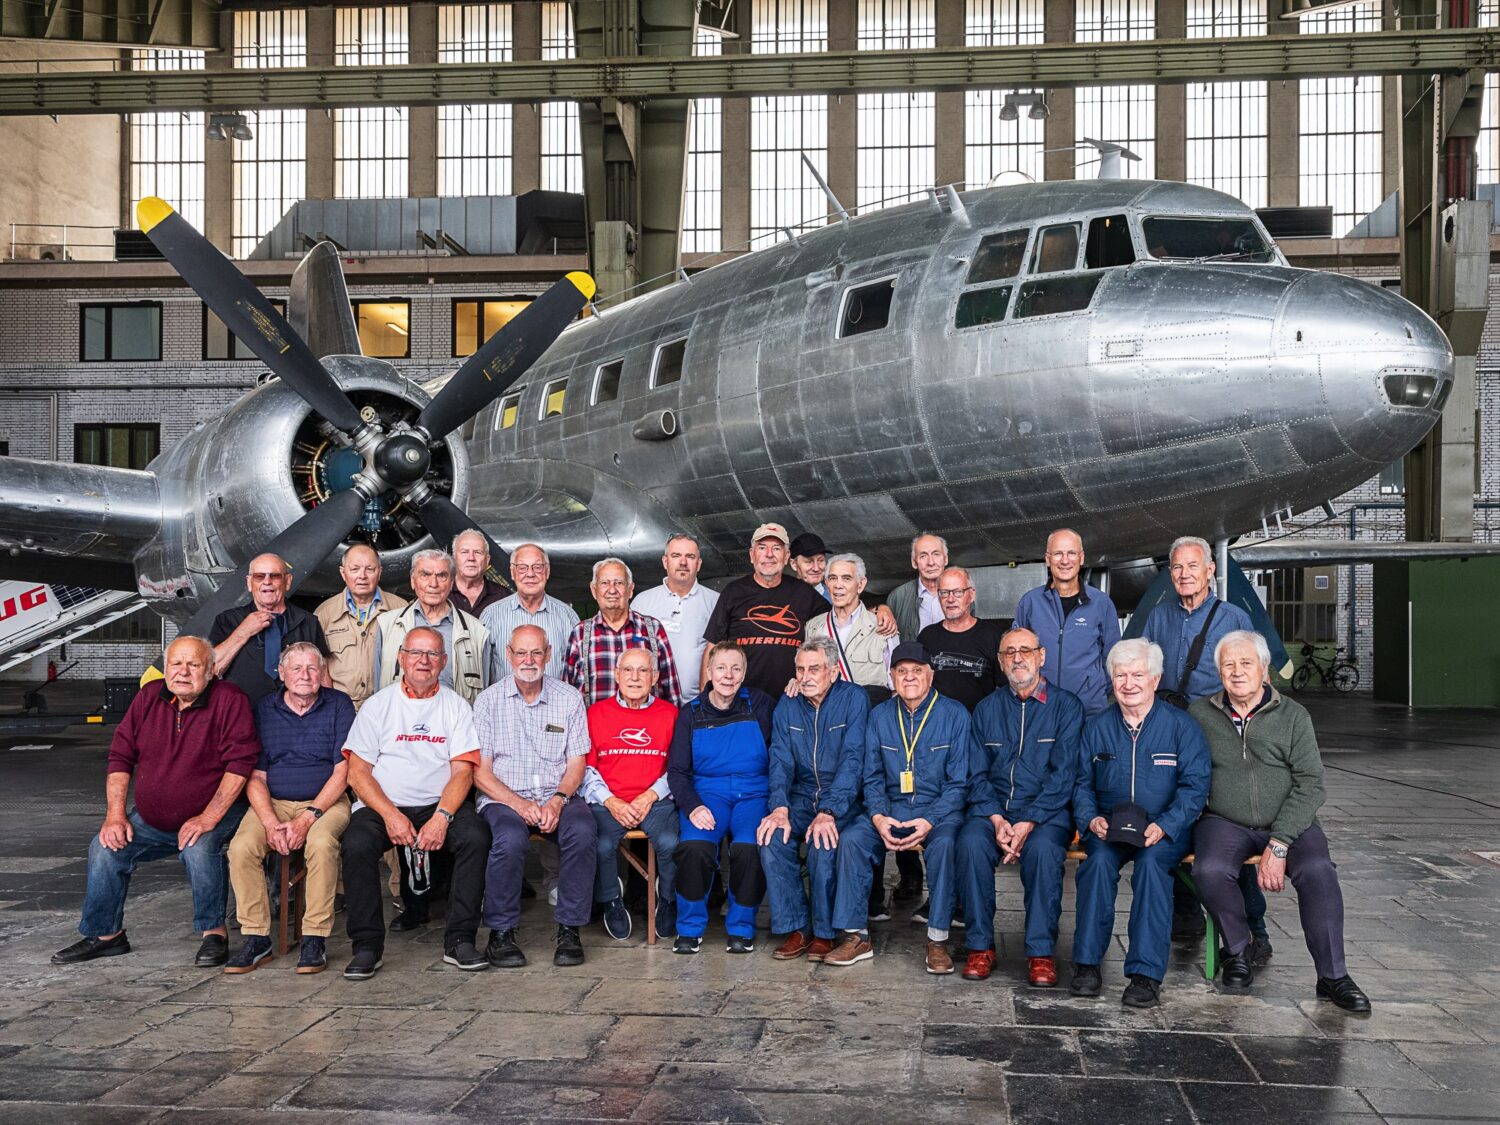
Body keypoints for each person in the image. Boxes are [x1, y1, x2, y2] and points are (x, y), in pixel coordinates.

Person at [1189, 631, 1371, 1012]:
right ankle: (1239, 949)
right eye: (1228, 665)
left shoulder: (1292, 716)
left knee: (1319, 870)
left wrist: (1280, 841)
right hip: (1224, 819)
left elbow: (1311, 784)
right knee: (1209, 870)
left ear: (1264, 669)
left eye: (1246, 664)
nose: (1237, 672)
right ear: (1218, 671)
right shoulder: (1200, 714)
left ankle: (1333, 975)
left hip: (1288, 820)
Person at [53, 636, 257, 968]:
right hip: (152, 820)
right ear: (165, 668)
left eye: (194, 664)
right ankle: (107, 936)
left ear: (211, 670)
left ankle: (214, 934)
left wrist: (208, 818)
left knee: (199, 848)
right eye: (176, 664)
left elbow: (240, 765)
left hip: (214, 813)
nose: (183, 672)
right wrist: (115, 815)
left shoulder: (229, 700)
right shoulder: (148, 697)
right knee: (105, 848)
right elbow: (120, 756)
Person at [339, 627, 492, 980]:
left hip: (438, 803)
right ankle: (366, 946)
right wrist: (390, 815)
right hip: (383, 805)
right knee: (357, 843)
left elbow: (463, 772)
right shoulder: (378, 706)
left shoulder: (456, 706)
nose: (424, 661)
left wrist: (442, 816)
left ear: (444, 662)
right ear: (401, 658)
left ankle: (459, 940)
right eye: (416, 653)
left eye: (432, 654)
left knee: (475, 837)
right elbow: (358, 774)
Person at [1070, 638, 1211, 1008]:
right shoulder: (1097, 726)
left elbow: (1196, 786)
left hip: (1162, 829)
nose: (1128, 683)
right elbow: (1081, 783)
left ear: (1155, 679)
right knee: (1096, 865)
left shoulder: (1182, 727)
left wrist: (1166, 825)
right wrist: (1090, 819)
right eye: (1120, 675)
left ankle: (1145, 975)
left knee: (1150, 870)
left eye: (1137, 675)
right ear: (1111, 680)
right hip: (1108, 826)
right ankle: (1086, 964)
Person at [1141, 535, 1261, 944]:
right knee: (1174, 814)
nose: (1184, 574)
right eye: (1176, 567)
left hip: (1217, 735)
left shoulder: (1232, 619)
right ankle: (1186, 912)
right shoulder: (1159, 617)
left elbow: (1249, 680)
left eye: (1193, 566)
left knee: (1228, 824)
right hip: (1170, 736)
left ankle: (1253, 927)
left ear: (1211, 569)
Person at [827, 642, 974, 972]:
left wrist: (930, 820)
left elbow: (958, 784)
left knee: (947, 844)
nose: (909, 677)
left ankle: (937, 940)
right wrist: (878, 817)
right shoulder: (878, 716)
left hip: (938, 810)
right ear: (891, 676)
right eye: (902, 671)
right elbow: (872, 774)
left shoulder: (955, 715)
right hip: (889, 806)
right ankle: (855, 936)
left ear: (930, 675)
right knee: (852, 839)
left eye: (917, 671)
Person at [959, 627, 1083, 985]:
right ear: (999, 662)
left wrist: (1029, 820)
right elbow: (976, 773)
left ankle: (1041, 953)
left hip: (1047, 813)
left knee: (1044, 852)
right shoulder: (987, 709)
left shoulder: (1066, 707)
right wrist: (997, 819)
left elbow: (1064, 776)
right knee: (968, 844)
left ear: (1041, 656)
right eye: (1009, 652)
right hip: (993, 810)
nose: (1017, 658)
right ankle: (980, 947)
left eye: (1025, 651)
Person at [224, 643, 354, 975]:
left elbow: (343, 771)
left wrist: (309, 816)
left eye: (312, 668)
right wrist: (269, 821)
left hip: (326, 801)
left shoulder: (339, 704)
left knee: (322, 845)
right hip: (273, 802)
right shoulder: (263, 709)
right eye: (296, 669)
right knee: (241, 848)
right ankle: (256, 938)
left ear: (323, 672)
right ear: (281, 674)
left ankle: (314, 937)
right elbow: (255, 775)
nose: (305, 676)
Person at [471, 624, 596, 968]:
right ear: (509, 655)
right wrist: (520, 804)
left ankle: (570, 929)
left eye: (536, 652)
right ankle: (500, 933)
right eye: (521, 653)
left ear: (549, 655)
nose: (528, 660)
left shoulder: (569, 698)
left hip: (558, 795)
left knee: (583, 832)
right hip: (504, 798)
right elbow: (479, 772)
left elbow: (577, 763)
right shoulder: (488, 701)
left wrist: (557, 799)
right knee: (509, 840)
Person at [757, 638, 868, 962]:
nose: (806, 676)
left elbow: (853, 761)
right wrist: (779, 808)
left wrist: (829, 810)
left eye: (814, 669)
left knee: (823, 843)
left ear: (833, 672)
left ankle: (824, 932)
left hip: (843, 797)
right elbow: (779, 761)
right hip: (801, 796)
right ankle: (798, 927)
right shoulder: (788, 704)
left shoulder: (853, 699)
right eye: (800, 669)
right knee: (772, 838)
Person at [668, 642, 775, 954]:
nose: (728, 675)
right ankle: (689, 929)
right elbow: (677, 770)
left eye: (736, 668)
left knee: (749, 849)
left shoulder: (761, 704)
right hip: (707, 796)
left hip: (754, 794)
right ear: (709, 671)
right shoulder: (690, 713)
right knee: (694, 848)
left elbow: (781, 753)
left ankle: (741, 928)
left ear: (745, 672)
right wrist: (693, 805)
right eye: (721, 668)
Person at [583, 647, 680, 941]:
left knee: (670, 843)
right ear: (616, 675)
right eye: (628, 670)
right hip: (609, 800)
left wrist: (648, 796)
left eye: (643, 671)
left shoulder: (671, 714)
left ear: (655, 677)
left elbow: (678, 769)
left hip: (656, 800)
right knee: (599, 846)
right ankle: (611, 901)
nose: (635, 678)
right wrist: (611, 802)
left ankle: (667, 899)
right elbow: (586, 769)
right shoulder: (595, 713)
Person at [701, 523, 829, 697]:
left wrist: (878, 609)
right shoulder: (733, 592)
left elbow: (841, 618)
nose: (769, 555)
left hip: (790, 702)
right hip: (741, 703)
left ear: (786, 556)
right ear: (752, 555)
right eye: (762, 548)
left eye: (776, 548)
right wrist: (704, 702)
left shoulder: (804, 593)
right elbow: (712, 647)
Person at [1012, 529, 1120, 716]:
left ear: (1081, 557)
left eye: (1071, 553)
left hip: (1089, 712)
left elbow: (1113, 659)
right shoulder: (1030, 602)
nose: (1064, 560)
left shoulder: (1101, 604)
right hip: (1040, 710)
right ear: (1047, 559)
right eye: (1057, 554)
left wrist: (1095, 692)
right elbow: (1016, 655)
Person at [209, 552, 329, 704]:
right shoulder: (226, 620)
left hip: (297, 719)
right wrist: (244, 631)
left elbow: (322, 674)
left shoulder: (308, 622)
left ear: (288, 581)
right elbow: (212, 670)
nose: (267, 582)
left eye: (275, 576)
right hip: (242, 716)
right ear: (249, 583)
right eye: (259, 576)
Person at [375, 548, 489, 704]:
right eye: (425, 575)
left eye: (442, 576)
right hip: (399, 723)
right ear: (413, 581)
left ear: (451, 582)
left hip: (453, 723)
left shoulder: (478, 631)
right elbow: (377, 692)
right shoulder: (386, 625)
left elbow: (487, 695)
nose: (433, 584)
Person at [564, 558, 682, 707]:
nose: (612, 590)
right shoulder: (580, 634)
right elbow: (567, 692)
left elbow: (670, 688)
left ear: (630, 589)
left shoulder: (653, 629)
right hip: (596, 728)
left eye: (619, 583)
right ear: (594, 590)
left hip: (647, 728)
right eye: (605, 583)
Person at [314, 544, 409, 709]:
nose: (362, 576)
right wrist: (330, 704)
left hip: (391, 705)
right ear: (343, 573)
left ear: (380, 572)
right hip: (342, 707)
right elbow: (318, 664)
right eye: (355, 569)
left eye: (370, 569)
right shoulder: (324, 613)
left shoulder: (401, 609)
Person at [632, 533, 720, 699]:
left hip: (699, 704)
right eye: (676, 555)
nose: (683, 562)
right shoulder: (642, 603)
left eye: (690, 556)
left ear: (699, 564)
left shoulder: (716, 602)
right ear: (665, 561)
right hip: (654, 706)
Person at [805, 552, 896, 705]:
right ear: (827, 583)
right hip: (827, 715)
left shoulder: (883, 626)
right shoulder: (813, 627)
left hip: (869, 717)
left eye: (846, 578)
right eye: (833, 578)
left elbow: (896, 687)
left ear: (860, 584)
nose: (838, 585)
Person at [481, 543, 579, 682]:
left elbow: (576, 674)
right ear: (512, 572)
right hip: (503, 703)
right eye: (522, 568)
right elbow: (483, 674)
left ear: (547, 571)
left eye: (537, 567)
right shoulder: (491, 615)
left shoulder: (567, 616)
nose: (530, 574)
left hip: (556, 703)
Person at [918, 566, 1005, 712]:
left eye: (958, 592)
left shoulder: (993, 635)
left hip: (980, 725)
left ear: (971, 595)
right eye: (944, 593)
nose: (950, 599)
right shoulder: (926, 637)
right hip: (938, 727)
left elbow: (1005, 688)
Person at [885, 533, 950, 643]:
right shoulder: (898, 596)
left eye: (936, 554)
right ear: (914, 562)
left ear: (945, 559)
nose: (931, 562)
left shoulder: (962, 593)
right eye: (923, 556)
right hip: (913, 659)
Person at [450, 529, 509, 617]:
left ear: (487, 560)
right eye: (464, 552)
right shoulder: (438, 592)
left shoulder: (505, 598)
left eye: (478, 552)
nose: (471, 558)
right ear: (454, 558)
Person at [788, 531, 829, 600]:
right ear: (794, 564)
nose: (816, 568)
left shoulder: (839, 600)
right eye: (809, 561)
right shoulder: (779, 598)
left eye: (820, 560)